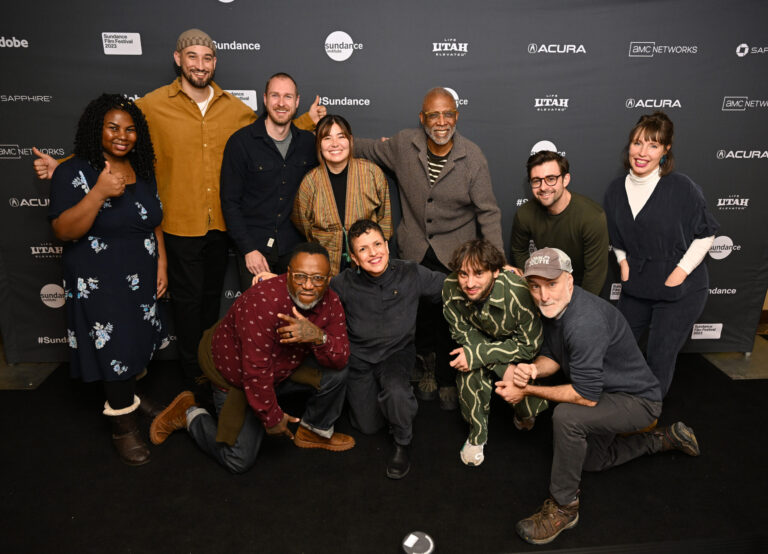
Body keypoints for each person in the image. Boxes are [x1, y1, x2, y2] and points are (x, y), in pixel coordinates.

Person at [34, 29, 325, 390]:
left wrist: (308, 122)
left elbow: (272, 133)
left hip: (219, 224)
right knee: (185, 309)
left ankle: (211, 370)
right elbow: (110, 137)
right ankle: (195, 381)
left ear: (214, 63)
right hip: (178, 223)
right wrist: (62, 164)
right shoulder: (152, 105)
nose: (199, 65)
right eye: (192, 57)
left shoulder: (235, 109)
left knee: (209, 306)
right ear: (178, 59)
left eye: (206, 58)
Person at [497, 247, 700, 545]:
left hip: (637, 401)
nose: (543, 296)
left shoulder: (584, 322)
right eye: (535, 286)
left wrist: (525, 389)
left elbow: (586, 396)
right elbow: (554, 353)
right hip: (608, 393)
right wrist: (532, 370)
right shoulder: (559, 307)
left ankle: (565, 508)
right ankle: (661, 439)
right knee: (592, 461)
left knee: (567, 417)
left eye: (551, 284)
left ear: (569, 281)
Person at [355, 87, 504, 409]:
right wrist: (322, 134)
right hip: (414, 249)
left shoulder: (472, 157)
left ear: (456, 116)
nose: (441, 121)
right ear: (422, 118)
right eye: (433, 115)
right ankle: (425, 370)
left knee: (452, 318)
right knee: (418, 315)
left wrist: (496, 264)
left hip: (455, 253)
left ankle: (449, 376)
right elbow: (363, 147)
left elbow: (488, 212)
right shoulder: (403, 145)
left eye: (447, 114)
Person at [148, 243, 354, 474]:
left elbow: (341, 358)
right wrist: (272, 417)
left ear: (328, 279)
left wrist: (318, 336)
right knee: (238, 459)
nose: (308, 285)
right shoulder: (263, 301)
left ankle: (313, 429)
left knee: (337, 373)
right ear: (288, 275)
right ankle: (190, 414)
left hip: (284, 365)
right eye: (300, 277)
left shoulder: (331, 302)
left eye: (317, 278)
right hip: (235, 375)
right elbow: (255, 372)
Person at [48, 94, 167, 465]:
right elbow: (64, 230)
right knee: (114, 347)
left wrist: (161, 261)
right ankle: (122, 426)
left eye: (130, 130)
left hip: (140, 275)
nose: (122, 136)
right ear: (96, 128)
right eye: (113, 127)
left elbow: (153, 220)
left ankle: (130, 394)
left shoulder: (141, 169)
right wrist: (99, 193)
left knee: (136, 340)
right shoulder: (74, 171)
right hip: (100, 280)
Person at [603, 112, 718, 397]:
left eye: (653, 145)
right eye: (637, 143)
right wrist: (623, 262)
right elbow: (614, 237)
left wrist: (679, 272)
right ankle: (617, 408)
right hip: (638, 284)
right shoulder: (616, 190)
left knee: (659, 356)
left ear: (666, 150)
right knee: (614, 348)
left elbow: (706, 234)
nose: (642, 152)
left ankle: (647, 416)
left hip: (681, 290)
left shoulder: (682, 187)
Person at [330, 219, 445, 479]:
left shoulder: (411, 273)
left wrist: (490, 275)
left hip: (396, 354)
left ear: (387, 246)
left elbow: (450, 286)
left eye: (377, 244)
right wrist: (276, 283)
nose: (373, 253)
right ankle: (386, 402)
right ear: (355, 259)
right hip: (359, 359)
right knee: (367, 426)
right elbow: (313, 298)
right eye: (363, 249)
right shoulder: (342, 283)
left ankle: (403, 442)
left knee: (395, 392)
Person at [442, 240, 546, 466]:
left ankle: (523, 409)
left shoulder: (518, 292)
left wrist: (483, 356)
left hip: (514, 348)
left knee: (520, 380)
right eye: (463, 274)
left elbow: (529, 344)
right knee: (468, 373)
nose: (469, 283)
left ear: (496, 271)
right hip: (476, 344)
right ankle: (477, 435)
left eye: (479, 273)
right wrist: (490, 361)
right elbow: (462, 333)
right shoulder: (450, 287)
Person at [221, 73, 328, 289]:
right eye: (275, 95)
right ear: (265, 99)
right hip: (254, 252)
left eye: (288, 97)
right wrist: (248, 250)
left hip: (295, 250)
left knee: (296, 318)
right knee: (258, 319)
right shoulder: (241, 143)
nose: (281, 103)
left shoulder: (309, 143)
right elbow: (230, 202)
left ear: (297, 102)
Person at [292, 115, 392, 275]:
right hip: (326, 267)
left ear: (350, 140)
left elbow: (385, 219)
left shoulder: (372, 173)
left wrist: (375, 251)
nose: (335, 144)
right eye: (327, 138)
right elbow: (302, 223)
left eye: (341, 137)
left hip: (368, 266)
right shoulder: (310, 182)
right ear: (319, 144)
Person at [509, 150, 609, 295]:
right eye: (536, 180)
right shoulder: (525, 213)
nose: (543, 187)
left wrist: (581, 306)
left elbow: (595, 274)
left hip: (579, 287)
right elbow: (518, 250)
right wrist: (535, 282)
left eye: (551, 179)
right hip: (545, 284)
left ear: (565, 179)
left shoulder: (591, 217)